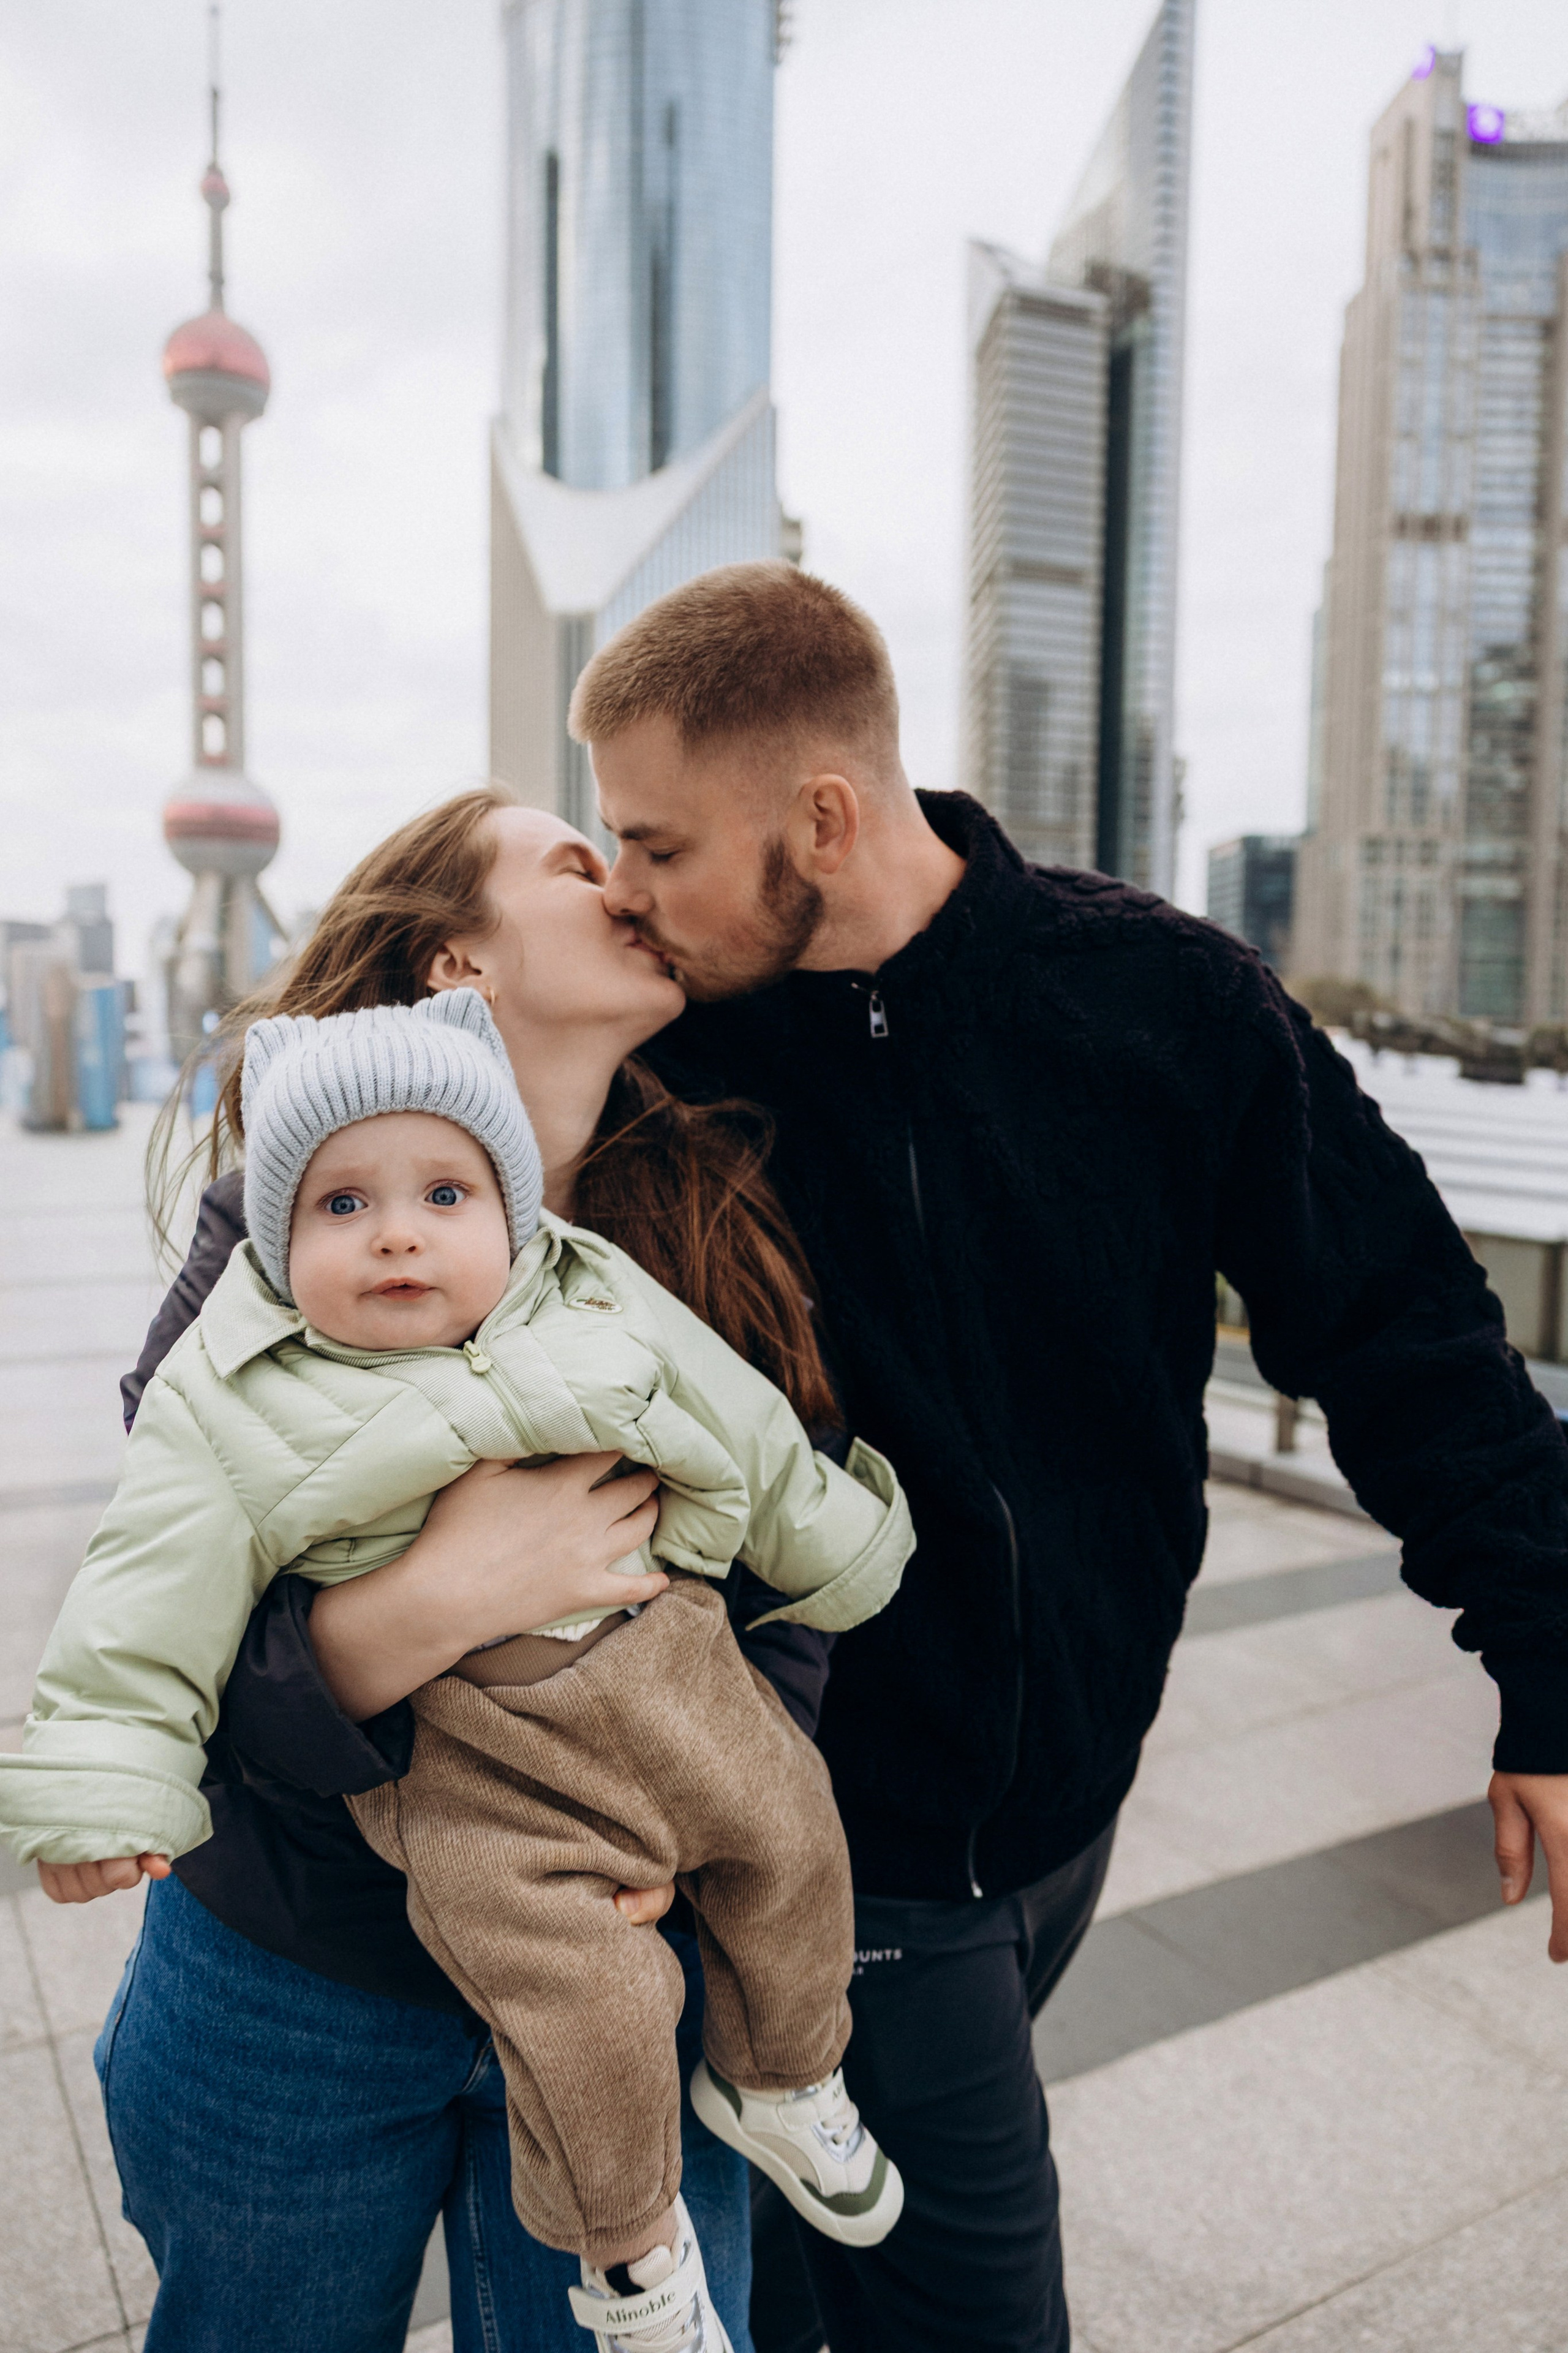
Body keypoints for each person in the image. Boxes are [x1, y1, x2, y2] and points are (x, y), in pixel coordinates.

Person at [546, 559, 1568, 2353]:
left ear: (826, 815)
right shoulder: (665, 1055)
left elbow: (1408, 1332)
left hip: (1071, 1797)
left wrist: (1556, 1668)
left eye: (656, 847)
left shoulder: (1164, 1005)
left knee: (807, 2271)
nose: (627, 898)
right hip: (835, 1833)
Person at [55, 788, 877, 2353]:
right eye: (576, 862)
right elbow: (165, 1600)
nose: (628, 876)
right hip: (292, 1979)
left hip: (628, 1978)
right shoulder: (272, 1242)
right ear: (458, 966)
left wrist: (696, 1802)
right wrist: (425, 1605)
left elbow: (782, 1567)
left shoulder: (703, 1221)